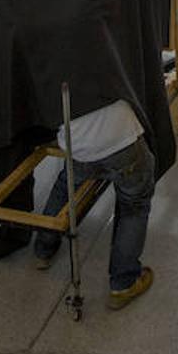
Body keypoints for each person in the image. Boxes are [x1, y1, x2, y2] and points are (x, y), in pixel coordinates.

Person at [32, 99, 156, 310]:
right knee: (134, 206)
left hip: (78, 145)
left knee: (66, 186)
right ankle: (123, 283)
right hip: (121, 136)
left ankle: (43, 249)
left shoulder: (43, 66)